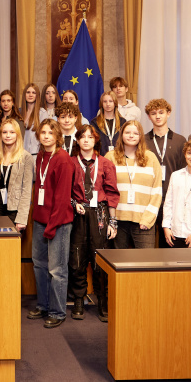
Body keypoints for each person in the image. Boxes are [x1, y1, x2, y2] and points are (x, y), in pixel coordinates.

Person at [27, 119, 81, 329]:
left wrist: (51, 226)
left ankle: (58, 312)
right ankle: (43, 305)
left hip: (58, 223)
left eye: (51, 133)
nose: (46, 136)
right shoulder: (40, 156)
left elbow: (61, 198)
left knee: (57, 269)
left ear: (58, 136)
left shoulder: (64, 159)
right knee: (39, 265)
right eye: (43, 132)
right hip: (40, 220)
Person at [68, 124, 119, 322]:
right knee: (78, 258)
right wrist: (74, 204)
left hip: (100, 214)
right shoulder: (71, 163)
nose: (87, 140)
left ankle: (103, 302)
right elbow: (66, 192)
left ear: (95, 140)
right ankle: (79, 300)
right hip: (79, 213)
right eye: (83, 137)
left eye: (90, 137)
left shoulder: (106, 164)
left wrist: (112, 222)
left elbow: (113, 194)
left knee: (100, 258)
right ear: (78, 140)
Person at [104, 120, 162, 249]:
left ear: (141, 136)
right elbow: (106, 189)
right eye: (127, 132)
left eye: (136, 133)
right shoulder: (110, 157)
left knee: (145, 263)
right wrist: (111, 220)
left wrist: (148, 218)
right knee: (118, 263)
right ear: (121, 135)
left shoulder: (150, 158)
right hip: (117, 220)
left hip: (143, 220)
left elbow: (157, 191)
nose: (131, 136)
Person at [143, 99, 187, 248]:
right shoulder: (142, 141)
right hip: (148, 198)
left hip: (172, 198)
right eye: (153, 113)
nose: (158, 116)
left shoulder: (180, 140)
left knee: (168, 241)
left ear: (168, 114)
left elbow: (184, 171)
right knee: (145, 239)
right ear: (149, 116)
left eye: (161, 112)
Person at [0, 118, 34, 230]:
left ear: (18, 135)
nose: (8, 135)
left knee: (10, 246)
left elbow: (27, 190)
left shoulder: (26, 157)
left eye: (12, 132)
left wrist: (22, 219)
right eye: (5, 132)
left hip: (14, 210)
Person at [20, 83, 41, 155]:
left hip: (35, 154)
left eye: (33, 92)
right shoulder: (19, 113)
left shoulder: (42, 113)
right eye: (28, 92)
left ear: (37, 96)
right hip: (20, 154)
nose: (30, 95)